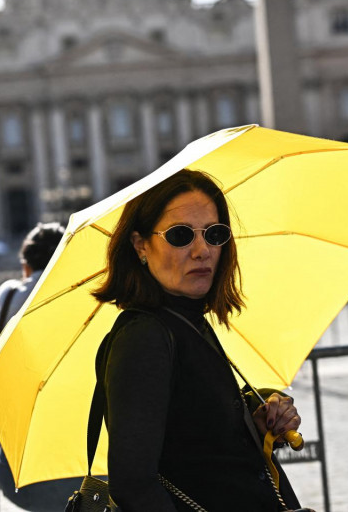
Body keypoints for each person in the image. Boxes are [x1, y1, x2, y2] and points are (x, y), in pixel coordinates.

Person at [91, 169, 307, 511]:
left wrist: (256, 419)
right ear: (140, 245)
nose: (202, 250)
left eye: (214, 234)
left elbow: (193, 443)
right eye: (181, 236)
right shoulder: (144, 338)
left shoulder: (187, 321)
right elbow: (134, 484)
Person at [0, 221, 79, 510]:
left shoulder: (9, 295)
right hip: (89, 461)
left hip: (24, 470)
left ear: (25, 265)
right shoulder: (87, 295)